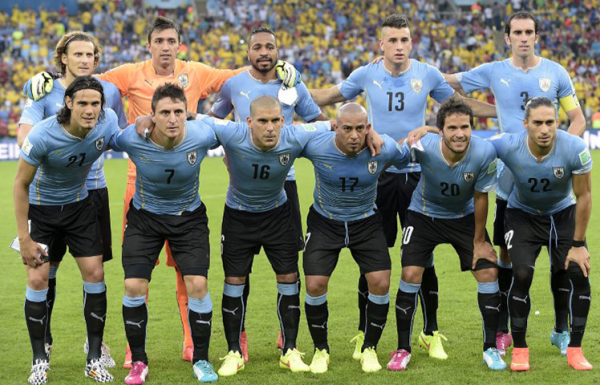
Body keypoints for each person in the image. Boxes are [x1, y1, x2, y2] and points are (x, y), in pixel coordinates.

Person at [24, 16, 300, 366]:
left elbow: (237, 78)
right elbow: (86, 84)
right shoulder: (128, 74)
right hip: (138, 189)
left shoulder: (196, 72)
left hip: (185, 190)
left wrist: (279, 71)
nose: (166, 47)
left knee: (188, 273)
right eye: (160, 41)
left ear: (179, 45)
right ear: (149, 45)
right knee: (136, 274)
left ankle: (190, 344)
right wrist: (48, 80)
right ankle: (131, 350)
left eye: (172, 40)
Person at [310, 13, 497, 361]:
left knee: (421, 259)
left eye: (404, 40)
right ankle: (365, 332)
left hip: (416, 173)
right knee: (373, 258)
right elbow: (327, 96)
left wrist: (501, 111)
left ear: (412, 42)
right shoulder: (366, 74)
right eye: (392, 40)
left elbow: (458, 106)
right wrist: (288, 89)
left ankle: (430, 331)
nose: (399, 46)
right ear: (381, 44)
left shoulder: (427, 74)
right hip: (377, 172)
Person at [444, 11, 586, 355]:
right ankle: (505, 327)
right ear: (507, 38)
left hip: (548, 180)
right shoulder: (494, 71)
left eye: (529, 32)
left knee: (561, 260)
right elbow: (447, 81)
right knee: (508, 257)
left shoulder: (556, 73)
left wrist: (561, 152)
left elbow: (577, 117)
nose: (523, 37)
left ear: (537, 35)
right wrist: (407, 66)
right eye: (517, 32)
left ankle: (561, 329)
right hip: (508, 181)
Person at [208, 26, 328, 361]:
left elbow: (318, 120)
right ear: (249, 52)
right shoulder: (233, 84)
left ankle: (286, 338)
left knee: (289, 268)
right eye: (258, 47)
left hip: (284, 184)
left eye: (270, 47)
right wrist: (230, 154)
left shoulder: (292, 82)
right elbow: (213, 122)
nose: (264, 52)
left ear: (278, 51)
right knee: (237, 271)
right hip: (243, 186)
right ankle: (239, 341)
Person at [17, 31, 127, 369]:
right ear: (63, 57)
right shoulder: (42, 89)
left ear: (96, 59)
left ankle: (95, 344)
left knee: (93, 272)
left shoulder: (107, 91)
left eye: (89, 54)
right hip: (48, 195)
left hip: (92, 192)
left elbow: (117, 134)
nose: (83, 60)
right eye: (76, 54)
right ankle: (44, 342)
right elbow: (26, 135)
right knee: (45, 273)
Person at [110, 84, 219, 384]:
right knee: (134, 286)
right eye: (165, 113)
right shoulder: (132, 138)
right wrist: (136, 122)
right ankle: (138, 362)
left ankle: (202, 359)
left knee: (197, 284)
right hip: (145, 218)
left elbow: (236, 132)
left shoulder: (203, 134)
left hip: (189, 218)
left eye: (178, 112)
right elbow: (102, 135)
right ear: (153, 115)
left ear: (187, 113)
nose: (172, 119)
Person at [391, 98, 504, 371]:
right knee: (410, 275)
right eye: (452, 127)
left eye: (465, 127)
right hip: (423, 215)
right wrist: (420, 132)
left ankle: (490, 348)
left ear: (472, 127)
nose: (460, 133)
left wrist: (479, 241)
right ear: (440, 130)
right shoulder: (425, 147)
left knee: (488, 271)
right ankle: (402, 348)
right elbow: (395, 156)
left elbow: (480, 198)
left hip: (463, 218)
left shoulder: (484, 152)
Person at [300, 103, 410, 373]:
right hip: (325, 221)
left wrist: (386, 136)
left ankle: (369, 348)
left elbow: (408, 156)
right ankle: (321, 350)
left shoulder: (383, 149)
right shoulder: (316, 145)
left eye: (360, 128)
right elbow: (284, 142)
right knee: (314, 285)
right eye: (346, 128)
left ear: (368, 128)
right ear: (335, 126)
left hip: (366, 221)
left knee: (381, 283)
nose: (353, 135)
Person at [489, 97, 593, 372]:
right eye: (538, 123)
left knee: (575, 272)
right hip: (521, 215)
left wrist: (579, 244)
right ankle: (520, 350)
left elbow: (584, 196)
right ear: (526, 124)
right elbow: (468, 146)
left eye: (550, 122)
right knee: (521, 273)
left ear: (558, 123)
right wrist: (430, 132)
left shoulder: (575, 148)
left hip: (562, 214)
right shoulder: (508, 144)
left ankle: (573, 347)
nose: (545, 129)